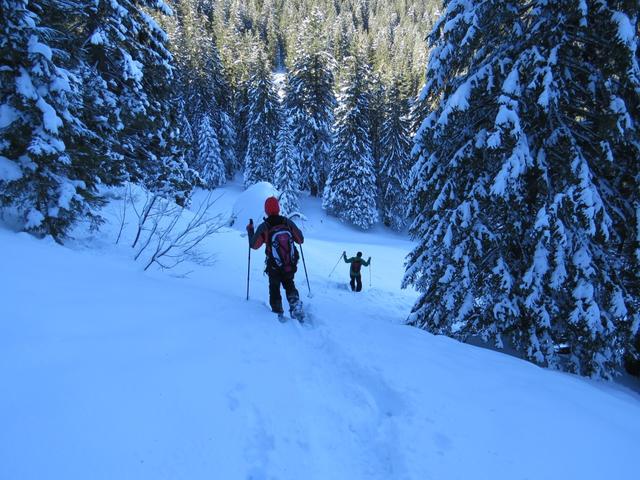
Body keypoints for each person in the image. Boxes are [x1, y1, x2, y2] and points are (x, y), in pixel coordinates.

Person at [247, 197, 305, 320]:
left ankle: (277, 313)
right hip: (289, 263)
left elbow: (254, 245)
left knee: (274, 287)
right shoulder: (287, 222)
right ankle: (295, 305)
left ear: (266, 210)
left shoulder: (265, 226)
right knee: (289, 284)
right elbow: (300, 240)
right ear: (278, 209)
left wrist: (250, 230)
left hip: (274, 265)